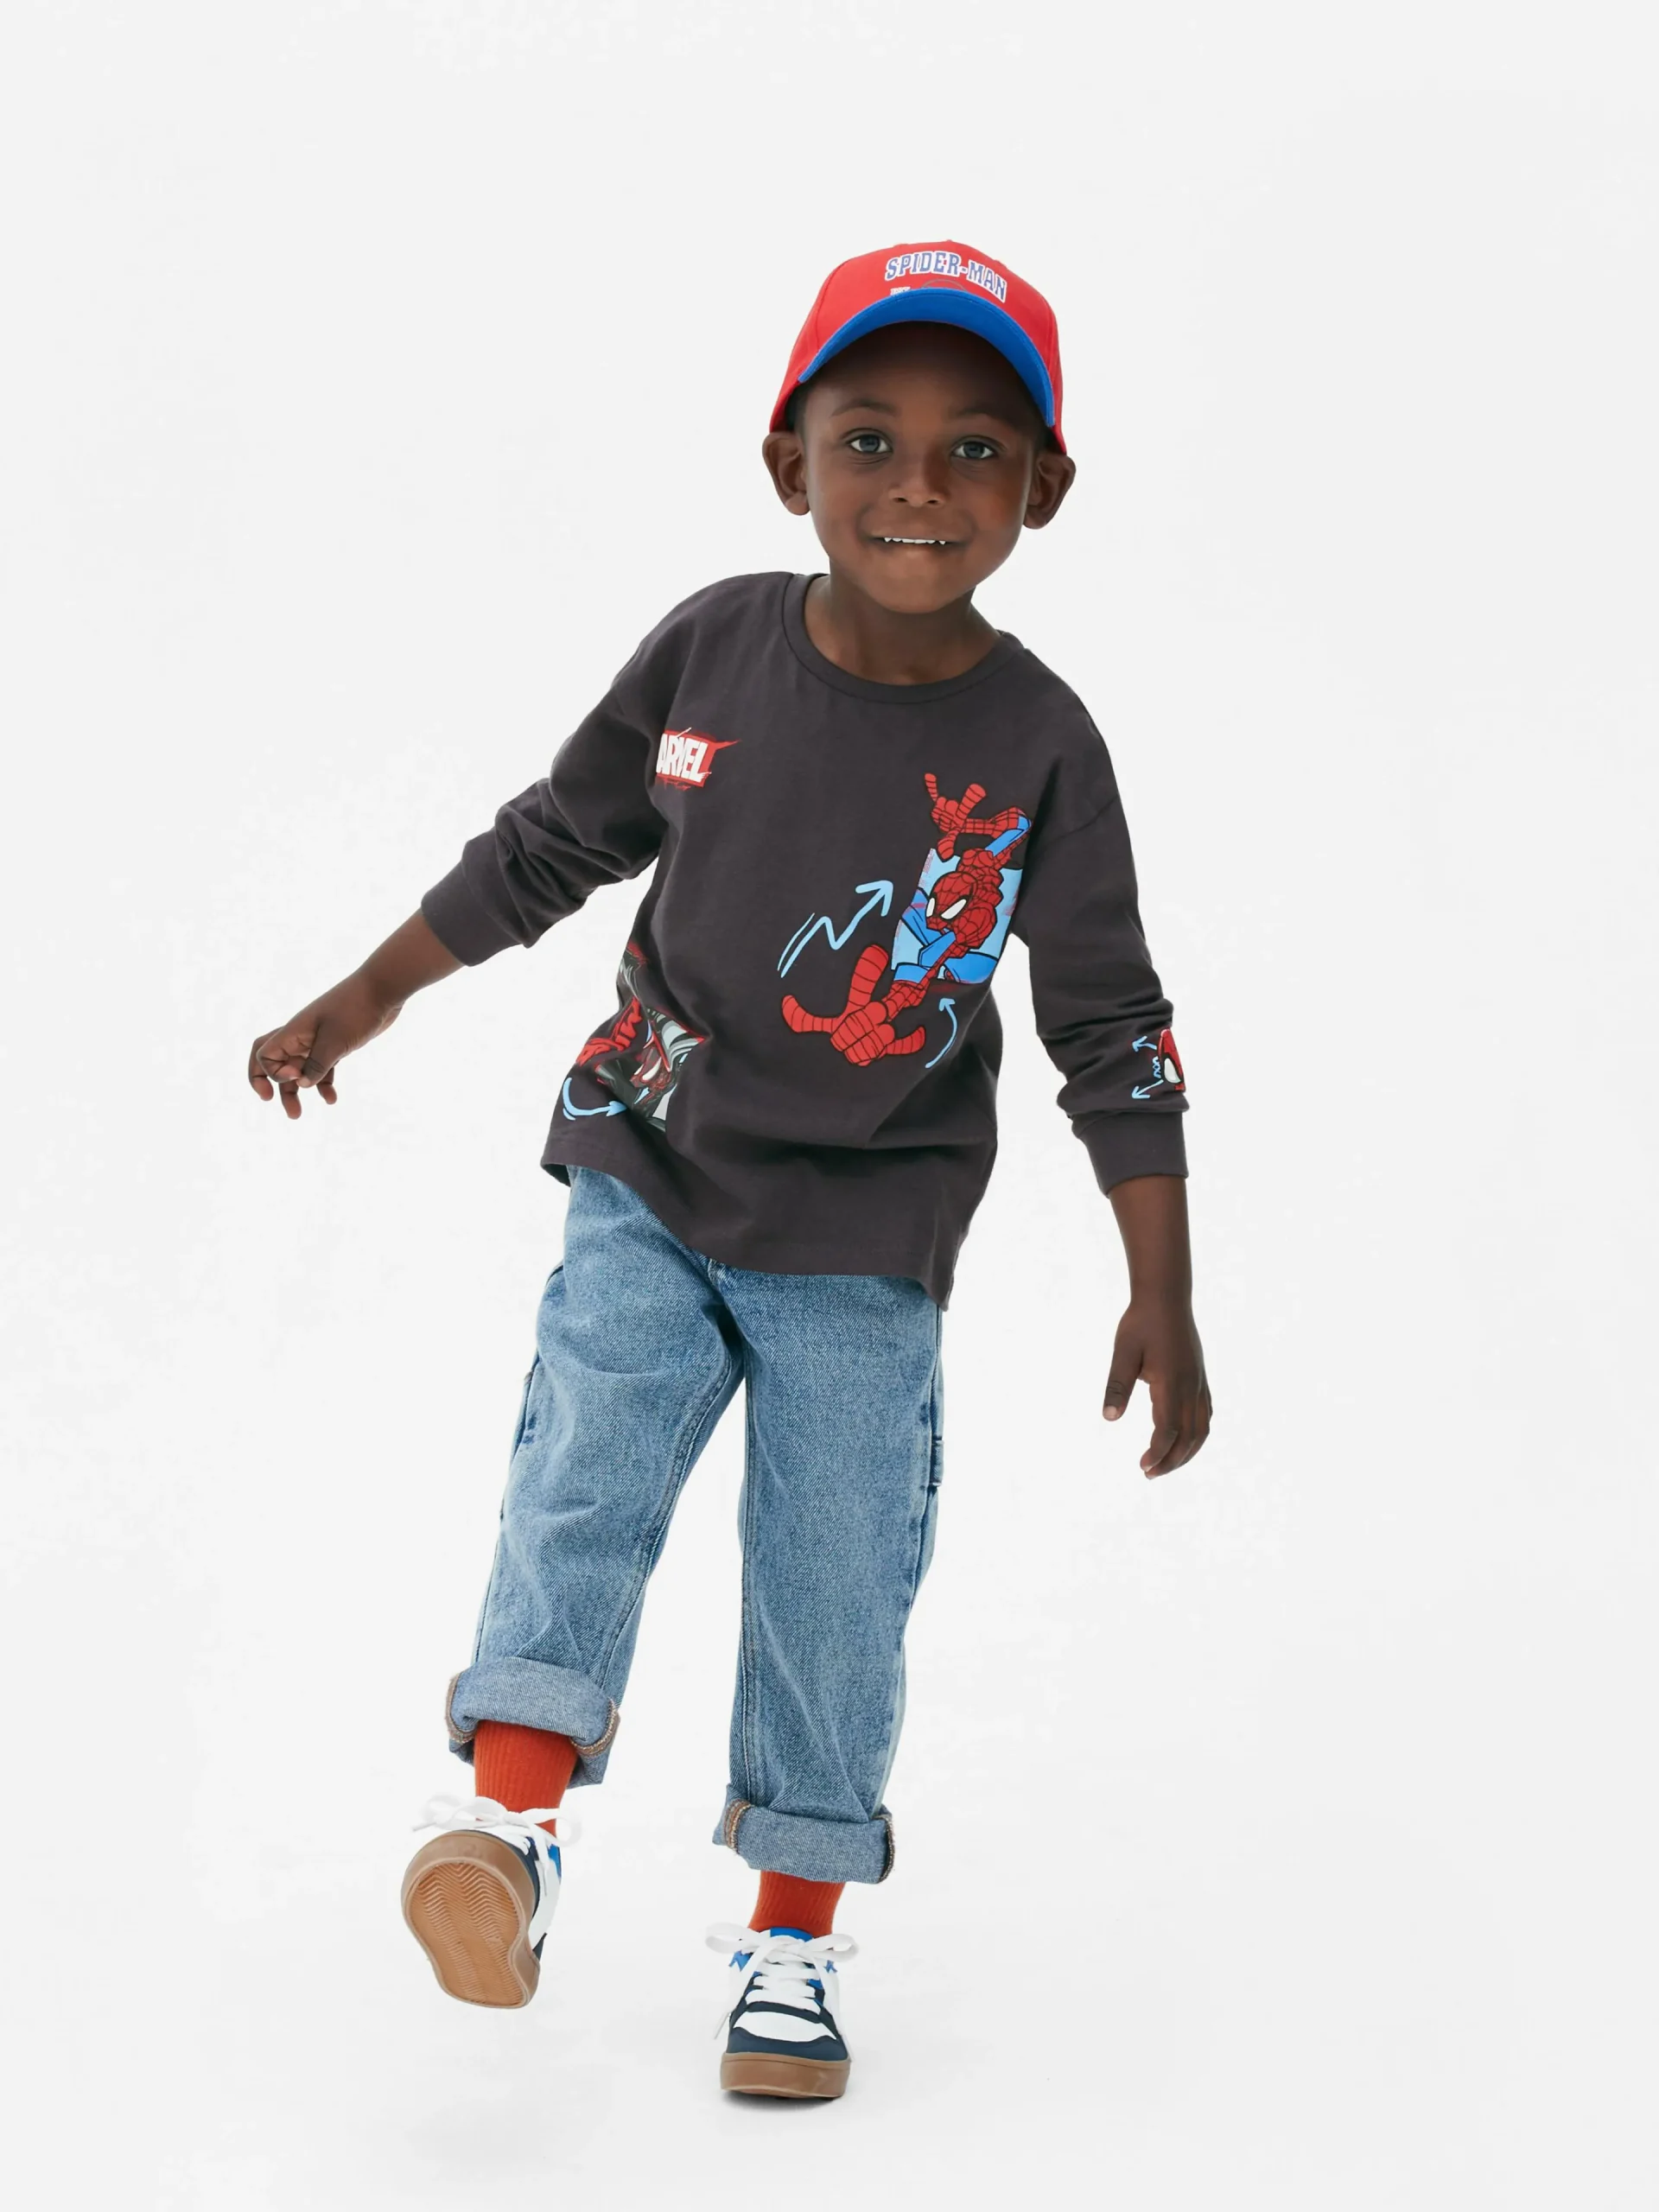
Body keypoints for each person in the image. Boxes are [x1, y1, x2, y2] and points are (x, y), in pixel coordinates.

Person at [247, 239, 1211, 2101]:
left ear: (1044, 487)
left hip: (868, 1236)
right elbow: (552, 844)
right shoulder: (712, 648)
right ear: (791, 464)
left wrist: (1157, 1281)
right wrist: (359, 999)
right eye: (869, 439)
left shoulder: (1038, 745)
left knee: (834, 1580)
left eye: (975, 449)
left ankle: (793, 1940)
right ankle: (510, 1826)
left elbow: (1112, 1019)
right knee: (583, 1476)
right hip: (655, 1163)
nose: (918, 485)